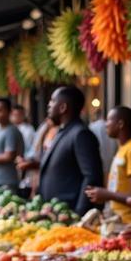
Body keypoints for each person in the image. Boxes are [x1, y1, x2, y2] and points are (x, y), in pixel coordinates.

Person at [36, 86, 103, 215]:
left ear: (63, 108)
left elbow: (91, 177)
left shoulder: (80, 134)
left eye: (52, 101)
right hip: (54, 211)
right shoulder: (62, 131)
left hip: (69, 212)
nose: (49, 105)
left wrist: (79, 213)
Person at [84, 106, 131, 223]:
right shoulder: (123, 148)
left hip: (129, 220)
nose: (105, 124)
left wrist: (107, 194)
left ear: (120, 124)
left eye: (108, 120)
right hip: (117, 219)